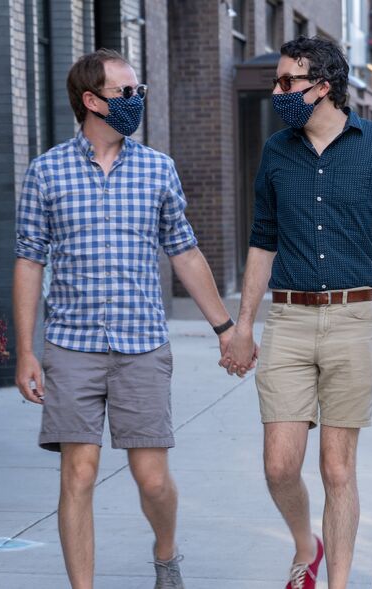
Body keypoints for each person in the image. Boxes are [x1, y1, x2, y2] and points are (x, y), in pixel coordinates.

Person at [12, 49, 239, 589]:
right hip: (71, 344)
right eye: (126, 93)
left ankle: (165, 554)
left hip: (141, 345)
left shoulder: (158, 168)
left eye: (139, 91)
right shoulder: (46, 171)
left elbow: (184, 252)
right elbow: (29, 260)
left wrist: (225, 329)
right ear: (92, 101)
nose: (137, 100)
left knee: (152, 479)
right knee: (79, 473)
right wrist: (25, 349)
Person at [223, 36, 372, 589]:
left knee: (337, 468)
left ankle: (337, 583)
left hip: (353, 320)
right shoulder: (276, 150)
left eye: (288, 82)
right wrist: (243, 325)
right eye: (276, 82)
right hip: (287, 321)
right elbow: (262, 240)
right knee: (280, 466)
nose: (278, 91)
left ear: (323, 86)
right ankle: (305, 545)